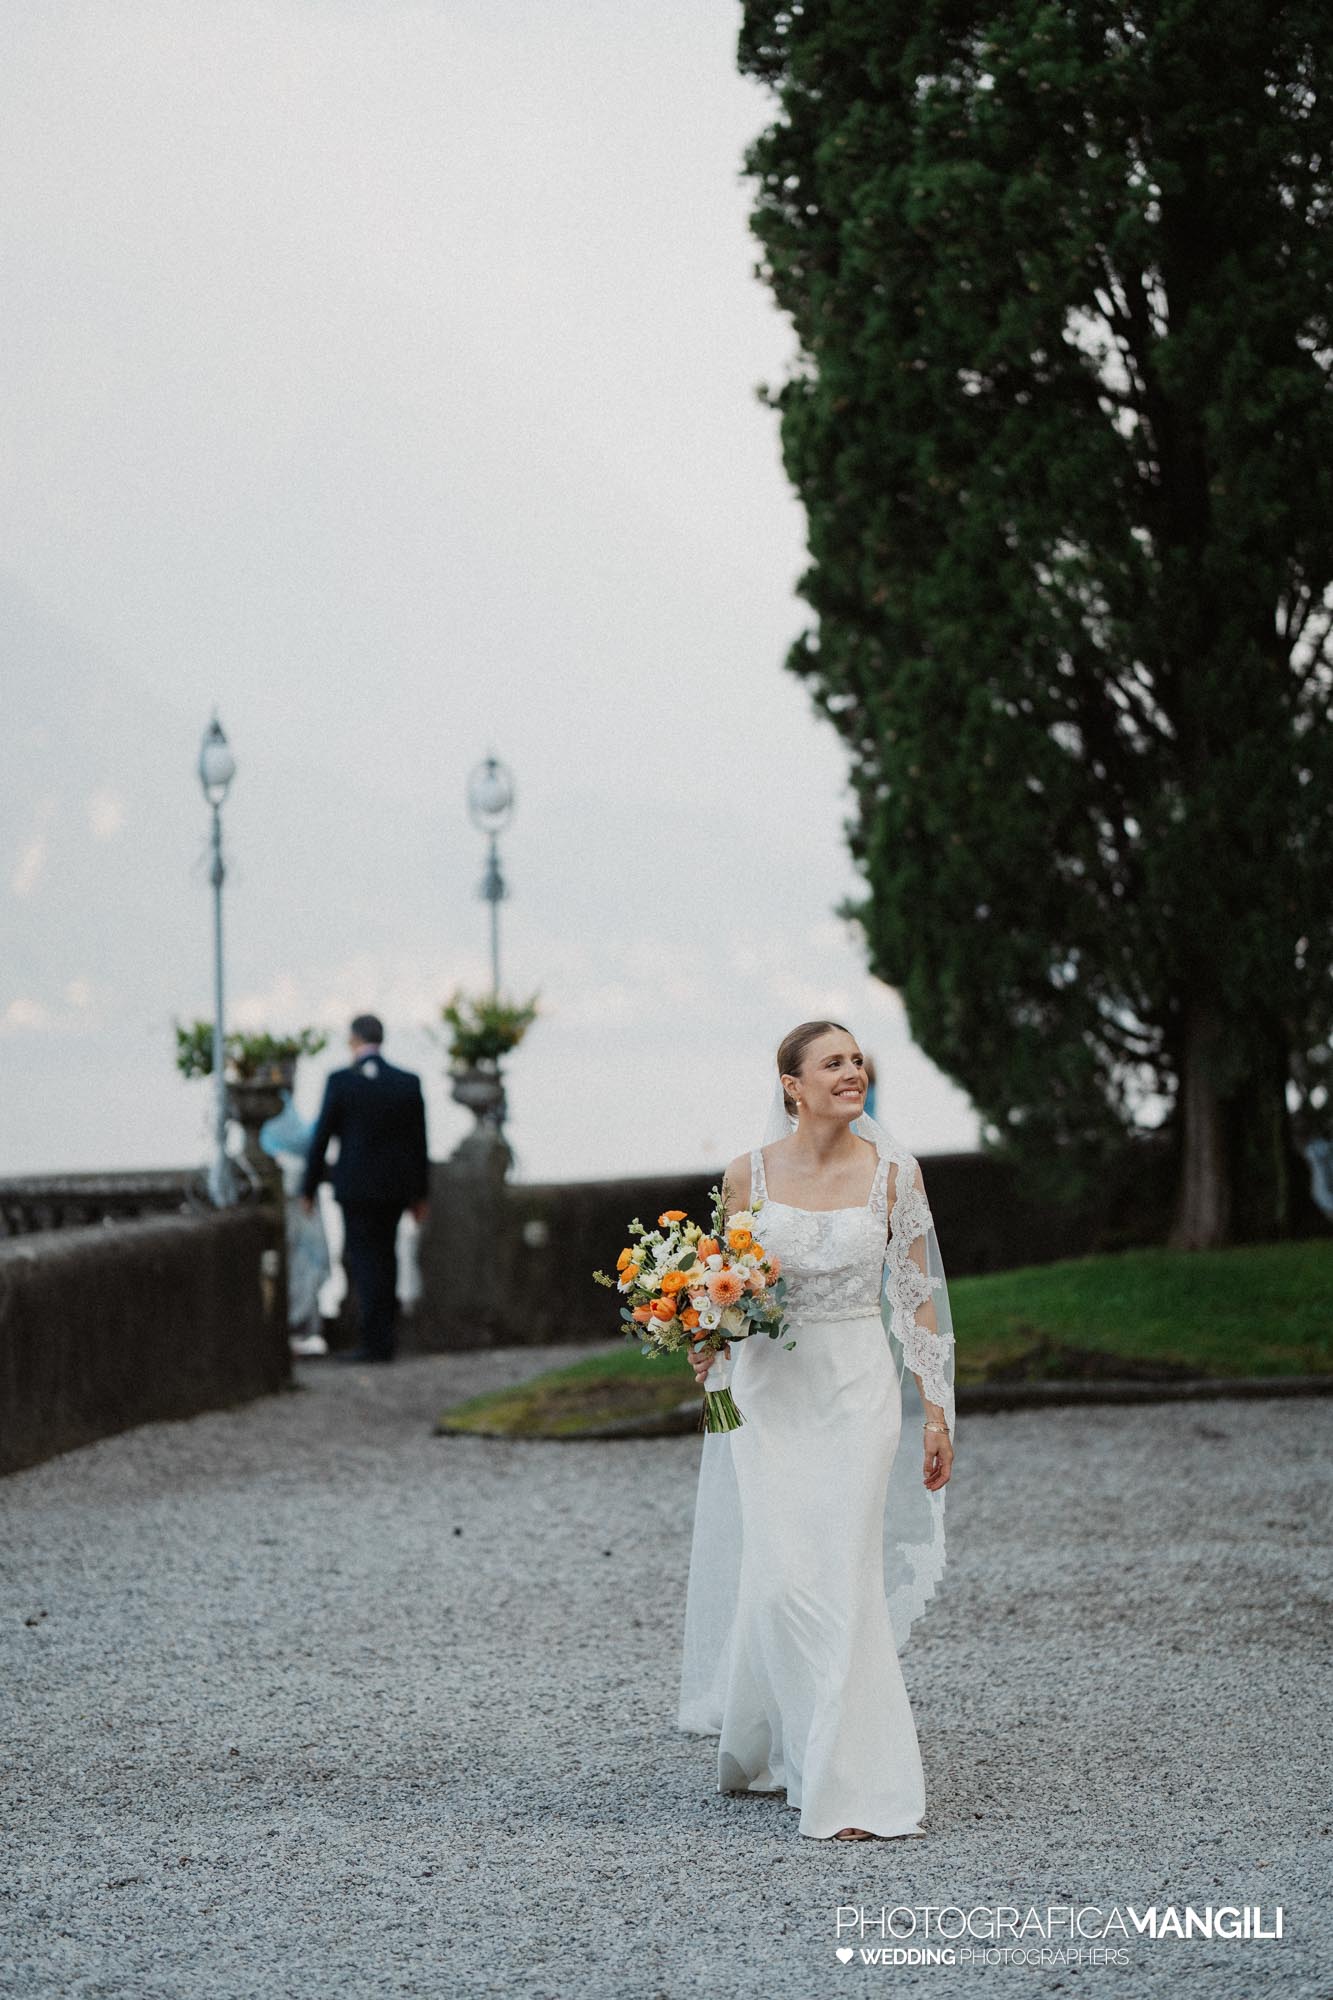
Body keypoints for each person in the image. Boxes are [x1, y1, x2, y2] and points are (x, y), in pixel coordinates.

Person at [677, 1020, 956, 1841]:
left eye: (856, 1060)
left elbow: (915, 1296)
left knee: (839, 1576)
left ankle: (852, 1780)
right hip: (768, 1394)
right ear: (791, 1085)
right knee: (780, 1578)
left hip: (855, 1389)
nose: (851, 1072)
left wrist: (933, 1410)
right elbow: (718, 1286)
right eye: (832, 1063)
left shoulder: (894, 1175)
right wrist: (701, 1341)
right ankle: (784, 1740)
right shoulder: (746, 1175)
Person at [300, 1014, 430, 1364]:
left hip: (355, 1189)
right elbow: (419, 1142)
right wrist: (420, 1194)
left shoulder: (342, 1081)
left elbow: (321, 1137)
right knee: (386, 1260)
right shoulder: (406, 1082)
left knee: (363, 1262)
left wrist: (307, 1188)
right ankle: (385, 1339)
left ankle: (373, 1343)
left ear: (354, 1041)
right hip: (394, 1189)